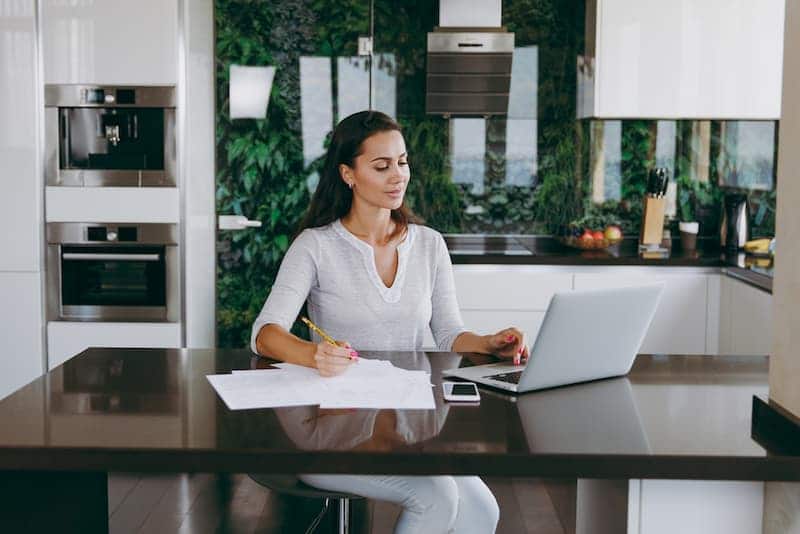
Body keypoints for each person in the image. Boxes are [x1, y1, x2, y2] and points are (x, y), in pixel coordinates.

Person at [251, 110, 530, 534]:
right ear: (348, 174)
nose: (397, 175)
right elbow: (265, 334)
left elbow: (449, 334)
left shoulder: (430, 245)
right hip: (334, 431)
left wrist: (490, 343)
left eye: (401, 162)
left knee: (482, 511)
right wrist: (313, 354)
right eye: (381, 166)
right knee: (436, 497)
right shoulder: (317, 246)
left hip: (415, 426)